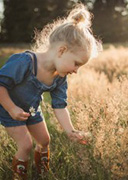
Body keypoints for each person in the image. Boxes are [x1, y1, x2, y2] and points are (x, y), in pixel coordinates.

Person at [0, 4, 101, 180]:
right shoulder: (25, 62)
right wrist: (11, 108)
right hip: (9, 108)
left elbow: (60, 106)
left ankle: (41, 173)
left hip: (31, 110)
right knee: (25, 145)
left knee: (45, 141)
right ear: (61, 50)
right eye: (76, 63)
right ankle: (19, 177)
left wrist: (70, 130)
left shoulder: (60, 77)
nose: (76, 70)